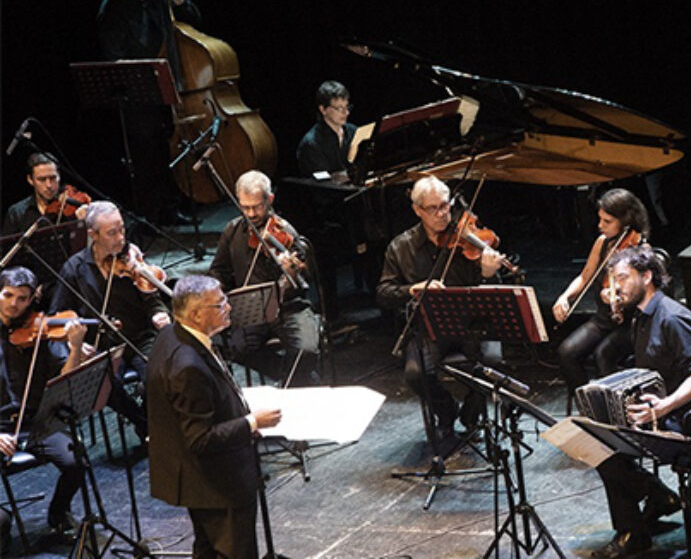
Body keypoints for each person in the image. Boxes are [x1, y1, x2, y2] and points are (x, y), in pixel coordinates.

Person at [147, 274, 282, 559]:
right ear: (196, 314)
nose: (228, 307)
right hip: (217, 483)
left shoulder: (170, 334)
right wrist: (252, 422)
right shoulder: (187, 365)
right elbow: (200, 438)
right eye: (220, 304)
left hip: (198, 482)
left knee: (207, 550)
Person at [591, 245, 691, 558]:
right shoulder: (640, 317)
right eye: (615, 281)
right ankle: (657, 497)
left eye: (623, 278)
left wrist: (664, 405)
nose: (617, 287)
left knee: (609, 453)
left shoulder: (674, 318)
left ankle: (634, 532)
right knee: (594, 437)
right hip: (655, 411)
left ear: (646, 277)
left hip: (683, 418)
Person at [376, 176, 503, 449]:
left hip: (473, 324)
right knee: (415, 373)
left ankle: (472, 415)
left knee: (492, 362)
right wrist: (412, 289)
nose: (442, 214)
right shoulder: (401, 247)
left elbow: (494, 293)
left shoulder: (467, 239)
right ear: (417, 210)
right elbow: (384, 293)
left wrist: (487, 273)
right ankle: (445, 412)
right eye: (433, 208)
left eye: (445, 205)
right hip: (429, 327)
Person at [95, 0, 201, 225]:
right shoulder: (112, 9)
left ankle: (174, 206)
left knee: (167, 149)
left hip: (171, 84)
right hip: (138, 93)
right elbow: (114, 58)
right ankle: (153, 215)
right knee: (147, 155)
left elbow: (194, 20)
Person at [51, 201, 171, 439]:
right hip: (102, 347)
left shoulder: (131, 260)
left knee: (158, 375)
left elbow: (151, 298)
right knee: (102, 385)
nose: (120, 238)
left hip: (139, 337)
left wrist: (159, 312)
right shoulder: (74, 269)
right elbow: (57, 315)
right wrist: (73, 343)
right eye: (112, 233)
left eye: (122, 230)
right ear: (93, 235)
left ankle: (150, 422)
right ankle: (144, 424)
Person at [0, 267, 89, 548]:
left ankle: (58, 514)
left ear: (32, 300)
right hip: (0, 429)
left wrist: (75, 348)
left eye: (22, 299)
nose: (14, 304)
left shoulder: (42, 331)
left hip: (37, 421)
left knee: (76, 462)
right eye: (7, 295)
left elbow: (66, 379)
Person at [209, 171, 320, 386]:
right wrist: (218, 291)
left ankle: (293, 382)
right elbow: (218, 270)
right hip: (252, 309)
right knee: (237, 349)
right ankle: (291, 380)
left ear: (270, 200)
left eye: (257, 207)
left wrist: (291, 272)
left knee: (305, 350)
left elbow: (307, 277)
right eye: (245, 207)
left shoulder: (286, 232)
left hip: (288, 307)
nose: (251, 214)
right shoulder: (232, 231)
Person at [553, 188, 650, 398]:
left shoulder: (641, 249)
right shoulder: (602, 242)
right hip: (604, 319)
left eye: (607, 221)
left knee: (603, 355)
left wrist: (619, 296)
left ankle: (617, 409)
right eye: (600, 219)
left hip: (630, 323)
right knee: (566, 352)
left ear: (625, 221)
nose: (600, 225)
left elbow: (640, 293)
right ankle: (588, 405)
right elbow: (585, 276)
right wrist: (564, 297)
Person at [295, 80, 378, 314]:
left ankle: (378, 290)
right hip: (329, 212)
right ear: (323, 110)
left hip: (355, 202)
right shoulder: (312, 143)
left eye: (347, 107)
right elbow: (322, 187)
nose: (345, 113)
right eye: (338, 108)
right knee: (365, 225)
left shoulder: (353, 132)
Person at [2, 153, 89, 235]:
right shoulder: (17, 212)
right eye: (42, 179)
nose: (49, 185)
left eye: (53, 178)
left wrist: (85, 223)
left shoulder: (72, 208)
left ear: (59, 175)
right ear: (30, 180)